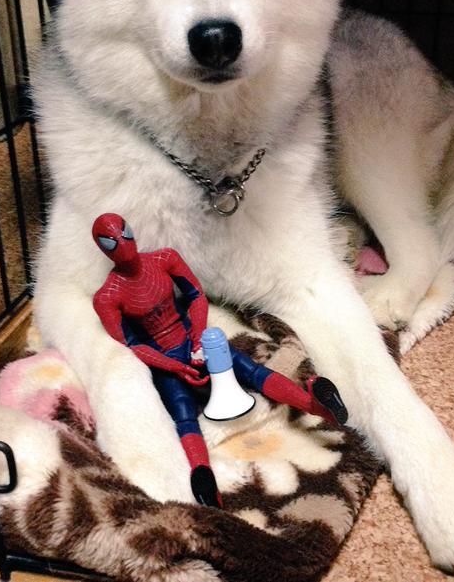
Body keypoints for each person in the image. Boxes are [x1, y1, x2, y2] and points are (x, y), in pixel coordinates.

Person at [92, 213, 348, 507]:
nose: (122, 244)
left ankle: (317, 404)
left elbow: (196, 295)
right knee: (184, 410)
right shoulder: (107, 297)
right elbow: (131, 344)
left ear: (132, 232)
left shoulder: (164, 259)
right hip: (166, 360)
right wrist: (173, 365)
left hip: (193, 340)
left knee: (244, 371)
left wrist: (198, 336)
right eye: (111, 241)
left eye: (124, 234)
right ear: (102, 247)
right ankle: (203, 477)